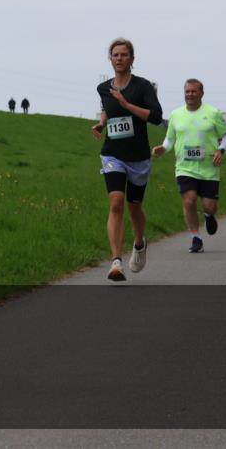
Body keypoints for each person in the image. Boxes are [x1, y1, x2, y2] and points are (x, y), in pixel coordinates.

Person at [91, 38, 163, 281]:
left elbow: (155, 117)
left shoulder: (143, 87)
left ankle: (140, 243)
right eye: (115, 55)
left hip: (138, 157)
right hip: (113, 153)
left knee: (134, 208)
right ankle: (115, 262)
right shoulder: (103, 87)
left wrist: (126, 103)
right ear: (110, 59)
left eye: (124, 55)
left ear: (132, 59)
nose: (119, 58)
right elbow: (107, 108)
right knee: (116, 203)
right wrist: (102, 123)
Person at [153, 79, 226, 253]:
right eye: (187, 91)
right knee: (189, 201)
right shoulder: (176, 114)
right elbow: (170, 139)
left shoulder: (213, 113)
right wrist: (163, 148)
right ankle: (195, 237)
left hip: (209, 168)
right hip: (185, 168)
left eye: (193, 91)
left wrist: (221, 150)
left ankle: (209, 215)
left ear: (201, 93)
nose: (190, 95)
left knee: (209, 206)